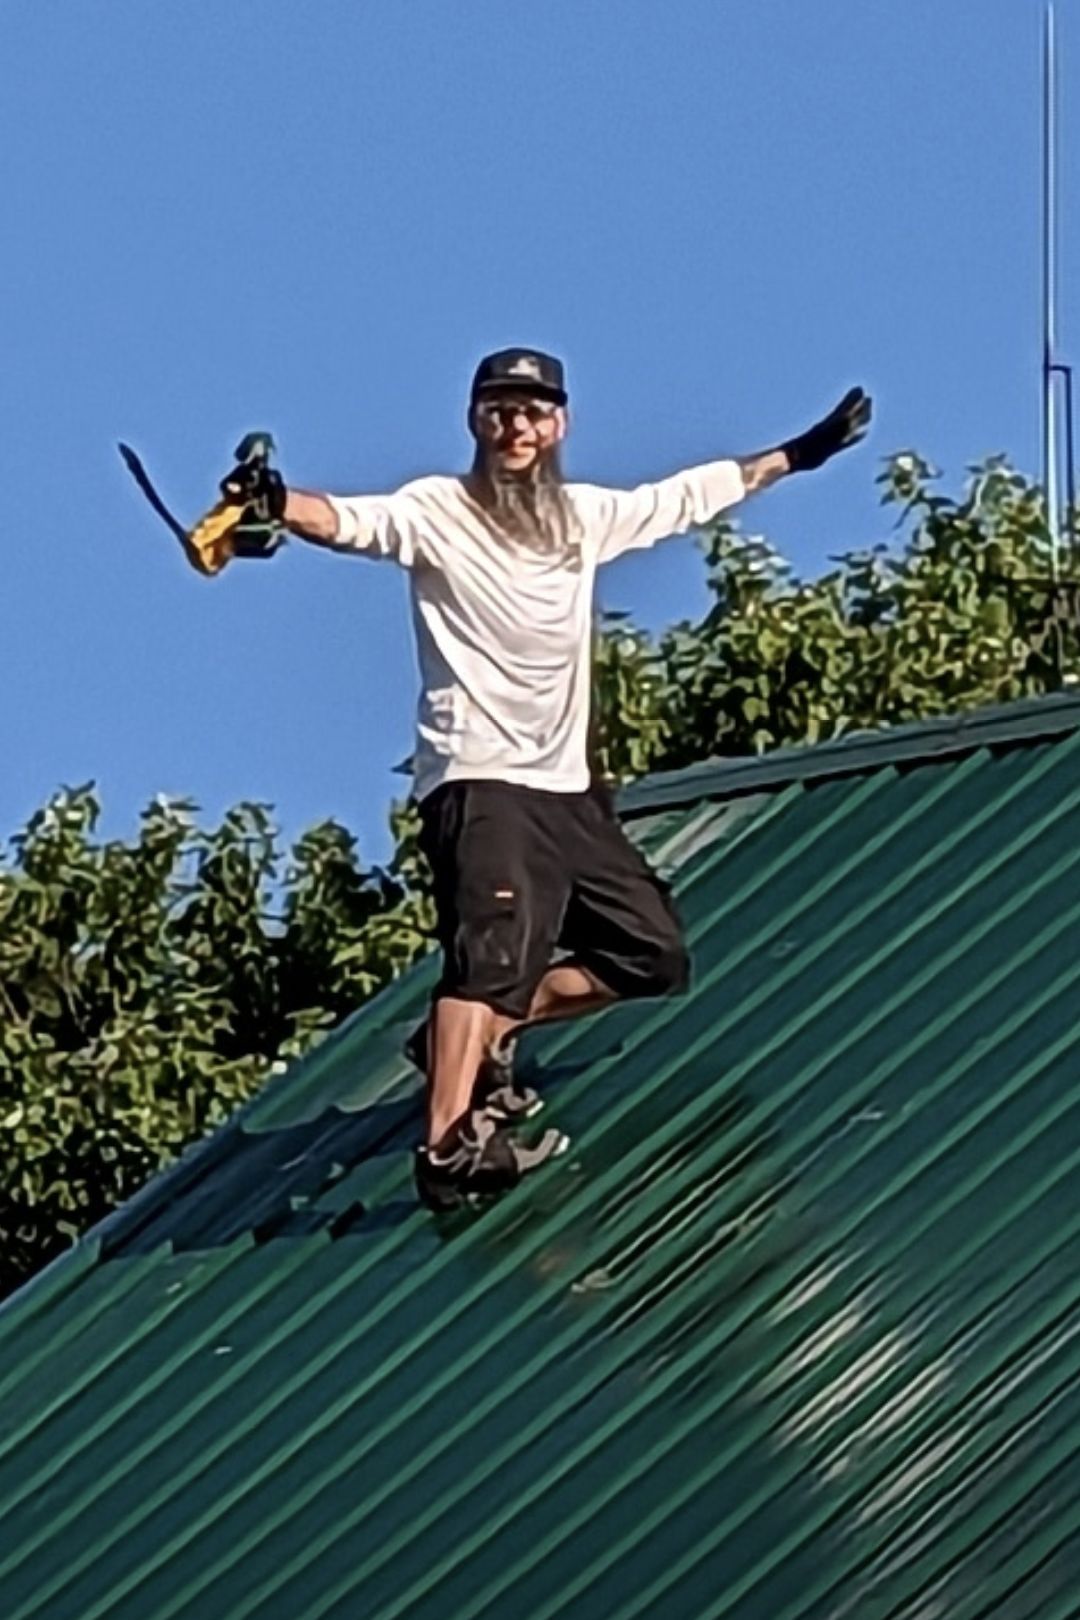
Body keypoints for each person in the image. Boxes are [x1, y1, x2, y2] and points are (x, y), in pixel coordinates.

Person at [224, 349, 871, 1209]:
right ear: (475, 420)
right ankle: (449, 1144)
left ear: (559, 424)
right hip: (478, 776)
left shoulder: (583, 517)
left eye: (532, 412)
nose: (516, 427)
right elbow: (345, 520)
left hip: (566, 788)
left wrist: (800, 452)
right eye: (499, 410)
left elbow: (691, 495)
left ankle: (478, 1035)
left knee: (650, 955)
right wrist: (272, 502)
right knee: (487, 957)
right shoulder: (438, 510)